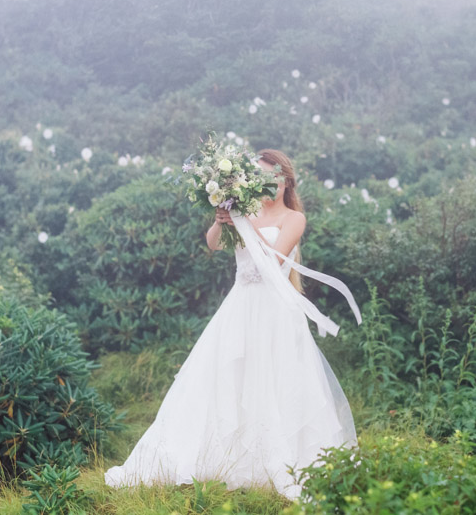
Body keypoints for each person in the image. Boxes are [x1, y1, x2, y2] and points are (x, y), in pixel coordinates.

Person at [104, 149, 357, 499]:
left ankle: (280, 459)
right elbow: (213, 244)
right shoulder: (245, 213)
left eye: (274, 179)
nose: (269, 186)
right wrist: (222, 218)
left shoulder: (293, 218)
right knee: (226, 379)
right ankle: (222, 458)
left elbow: (273, 259)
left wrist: (241, 220)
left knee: (275, 380)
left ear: (286, 182)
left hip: (274, 310)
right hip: (240, 305)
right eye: (262, 180)